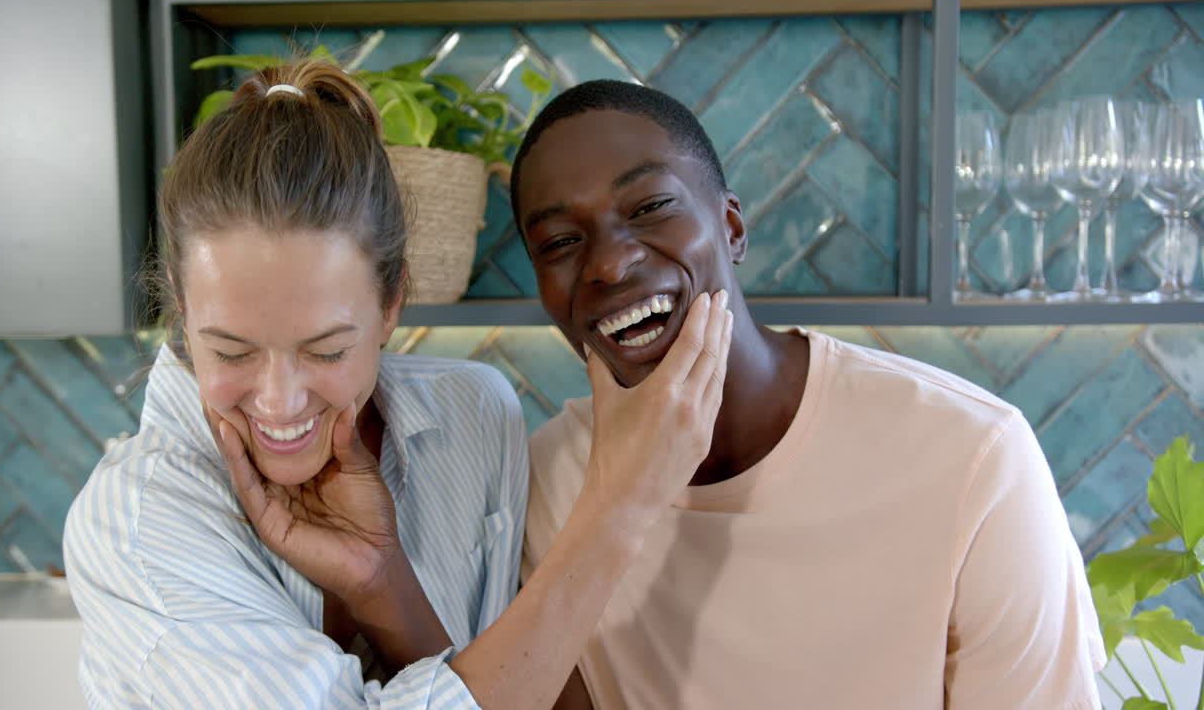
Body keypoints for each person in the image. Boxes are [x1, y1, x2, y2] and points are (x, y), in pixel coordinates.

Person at [64, 61, 733, 709]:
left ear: (391, 304)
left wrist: (384, 587)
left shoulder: (473, 413)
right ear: (181, 306)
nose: (279, 400)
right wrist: (618, 508)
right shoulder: (135, 522)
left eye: (326, 349)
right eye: (230, 350)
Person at [510, 80, 1106, 709]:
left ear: (732, 228)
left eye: (651, 206)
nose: (608, 263)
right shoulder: (545, 481)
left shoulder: (972, 455)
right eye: (559, 243)